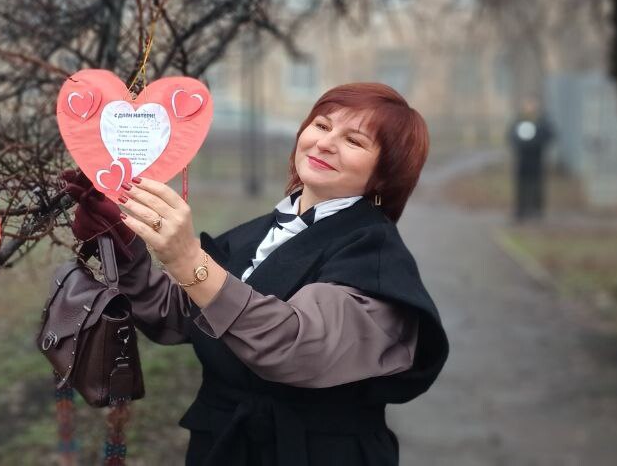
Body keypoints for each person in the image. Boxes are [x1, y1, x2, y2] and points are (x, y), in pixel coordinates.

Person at [66, 83, 449, 465]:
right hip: (223, 445)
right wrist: (122, 243)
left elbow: (296, 345)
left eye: (354, 140)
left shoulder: (375, 258)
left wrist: (189, 261)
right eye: (321, 125)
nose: (326, 143)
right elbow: (181, 316)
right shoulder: (261, 232)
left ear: (385, 174)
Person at [507, 98, 555, 222]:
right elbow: (511, 135)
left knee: (536, 184)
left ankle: (536, 210)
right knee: (521, 185)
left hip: (536, 157)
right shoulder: (519, 120)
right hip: (523, 157)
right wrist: (519, 144)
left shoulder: (541, 121)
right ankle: (521, 210)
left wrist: (537, 142)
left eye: (532, 105)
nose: (530, 107)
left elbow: (550, 135)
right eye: (528, 105)